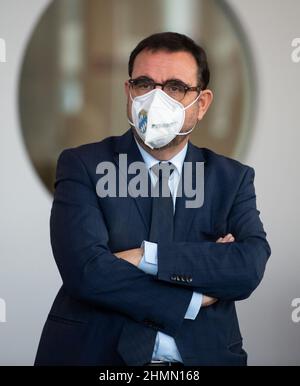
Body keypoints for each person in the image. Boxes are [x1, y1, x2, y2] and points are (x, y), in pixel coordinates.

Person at [35, 32, 271, 366]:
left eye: (175, 87)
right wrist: (194, 295)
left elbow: (248, 266)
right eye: (145, 84)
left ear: (201, 104)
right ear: (128, 91)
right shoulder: (84, 165)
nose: (156, 98)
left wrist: (146, 256)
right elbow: (86, 272)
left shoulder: (231, 179)